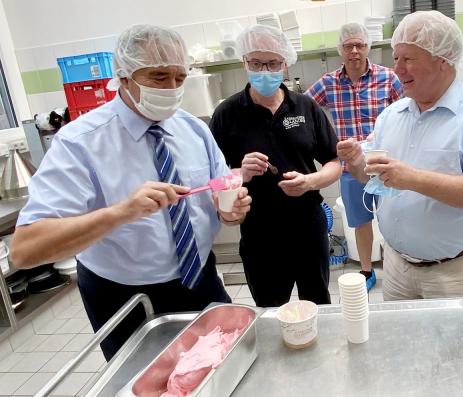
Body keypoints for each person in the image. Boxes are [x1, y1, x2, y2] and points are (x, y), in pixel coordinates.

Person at [10, 25, 251, 360]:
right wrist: (120, 212)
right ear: (123, 77)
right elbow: (24, 250)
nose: (171, 88)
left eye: (179, 78)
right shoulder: (80, 143)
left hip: (200, 278)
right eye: (158, 77)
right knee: (145, 381)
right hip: (124, 294)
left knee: (224, 364)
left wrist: (228, 209)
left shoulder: (193, 129)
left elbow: (219, 190)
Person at [337, 11, 463, 300]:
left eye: (408, 59)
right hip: (397, 268)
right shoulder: (391, 116)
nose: (398, 69)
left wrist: (411, 178)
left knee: (457, 347)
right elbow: (371, 176)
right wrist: (357, 161)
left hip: (456, 272)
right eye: (395, 59)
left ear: (442, 60)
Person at [210, 25, 341, 308]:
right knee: (269, 309)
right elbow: (212, 182)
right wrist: (239, 174)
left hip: (308, 225)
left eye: (272, 63)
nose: (264, 71)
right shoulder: (227, 114)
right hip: (259, 232)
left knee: (317, 302)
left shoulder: (305, 107)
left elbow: (334, 162)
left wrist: (310, 182)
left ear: (285, 63)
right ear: (244, 62)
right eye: (256, 63)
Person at [306, 22, 403, 291]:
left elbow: (410, 108)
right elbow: (302, 110)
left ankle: (398, 267)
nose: (355, 51)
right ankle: (366, 270)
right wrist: (323, 143)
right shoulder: (328, 83)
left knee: (394, 216)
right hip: (350, 168)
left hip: (384, 165)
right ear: (341, 50)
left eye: (359, 45)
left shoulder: (388, 77)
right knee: (361, 222)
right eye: (349, 46)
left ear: (368, 47)